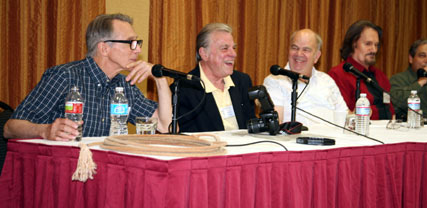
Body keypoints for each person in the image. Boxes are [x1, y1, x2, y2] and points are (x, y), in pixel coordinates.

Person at [3, 13, 172, 141]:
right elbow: (10, 128)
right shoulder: (65, 76)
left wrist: (160, 79)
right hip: (63, 171)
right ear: (104, 48)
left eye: (137, 43)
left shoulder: (125, 84)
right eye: (131, 43)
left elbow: (165, 126)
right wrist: (45, 130)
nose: (138, 50)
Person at [172, 23, 255, 132]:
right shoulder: (184, 89)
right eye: (225, 48)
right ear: (204, 53)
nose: (233, 54)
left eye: (233, 48)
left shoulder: (242, 81)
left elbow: (251, 126)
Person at [263, 29, 348, 126]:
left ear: (316, 56)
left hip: (335, 139)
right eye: (294, 48)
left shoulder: (326, 80)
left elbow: (344, 116)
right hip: (296, 140)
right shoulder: (275, 80)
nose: (299, 54)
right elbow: (276, 124)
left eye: (306, 50)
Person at [328, 20, 394, 120]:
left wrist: (372, 111)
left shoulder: (381, 76)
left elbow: (391, 111)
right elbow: (345, 114)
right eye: (368, 44)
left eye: (376, 45)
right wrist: (378, 111)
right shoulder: (338, 74)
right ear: (353, 44)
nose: (374, 50)